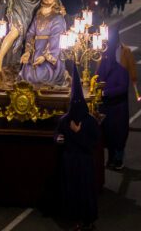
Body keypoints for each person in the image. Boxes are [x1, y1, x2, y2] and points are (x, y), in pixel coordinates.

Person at [55, 65, 100, 230]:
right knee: (72, 192)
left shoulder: (89, 121)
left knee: (85, 191)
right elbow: (58, 135)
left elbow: (93, 142)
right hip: (70, 161)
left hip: (84, 161)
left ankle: (88, 219)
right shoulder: (65, 120)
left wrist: (78, 133)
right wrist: (58, 139)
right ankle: (76, 220)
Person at [97, 27, 131, 170]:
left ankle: (118, 159)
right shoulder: (102, 68)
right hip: (106, 108)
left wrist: (105, 93)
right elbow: (97, 81)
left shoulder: (121, 71)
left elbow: (122, 88)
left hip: (118, 109)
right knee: (108, 134)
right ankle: (111, 158)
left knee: (119, 135)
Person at [19, 0, 67, 86]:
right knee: (26, 74)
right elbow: (30, 33)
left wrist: (45, 57)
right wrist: (28, 52)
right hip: (35, 49)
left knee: (42, 75)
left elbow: (56, 38)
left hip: (50, 51)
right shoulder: (38, 16)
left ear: (55, 1)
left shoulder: (58, 18)